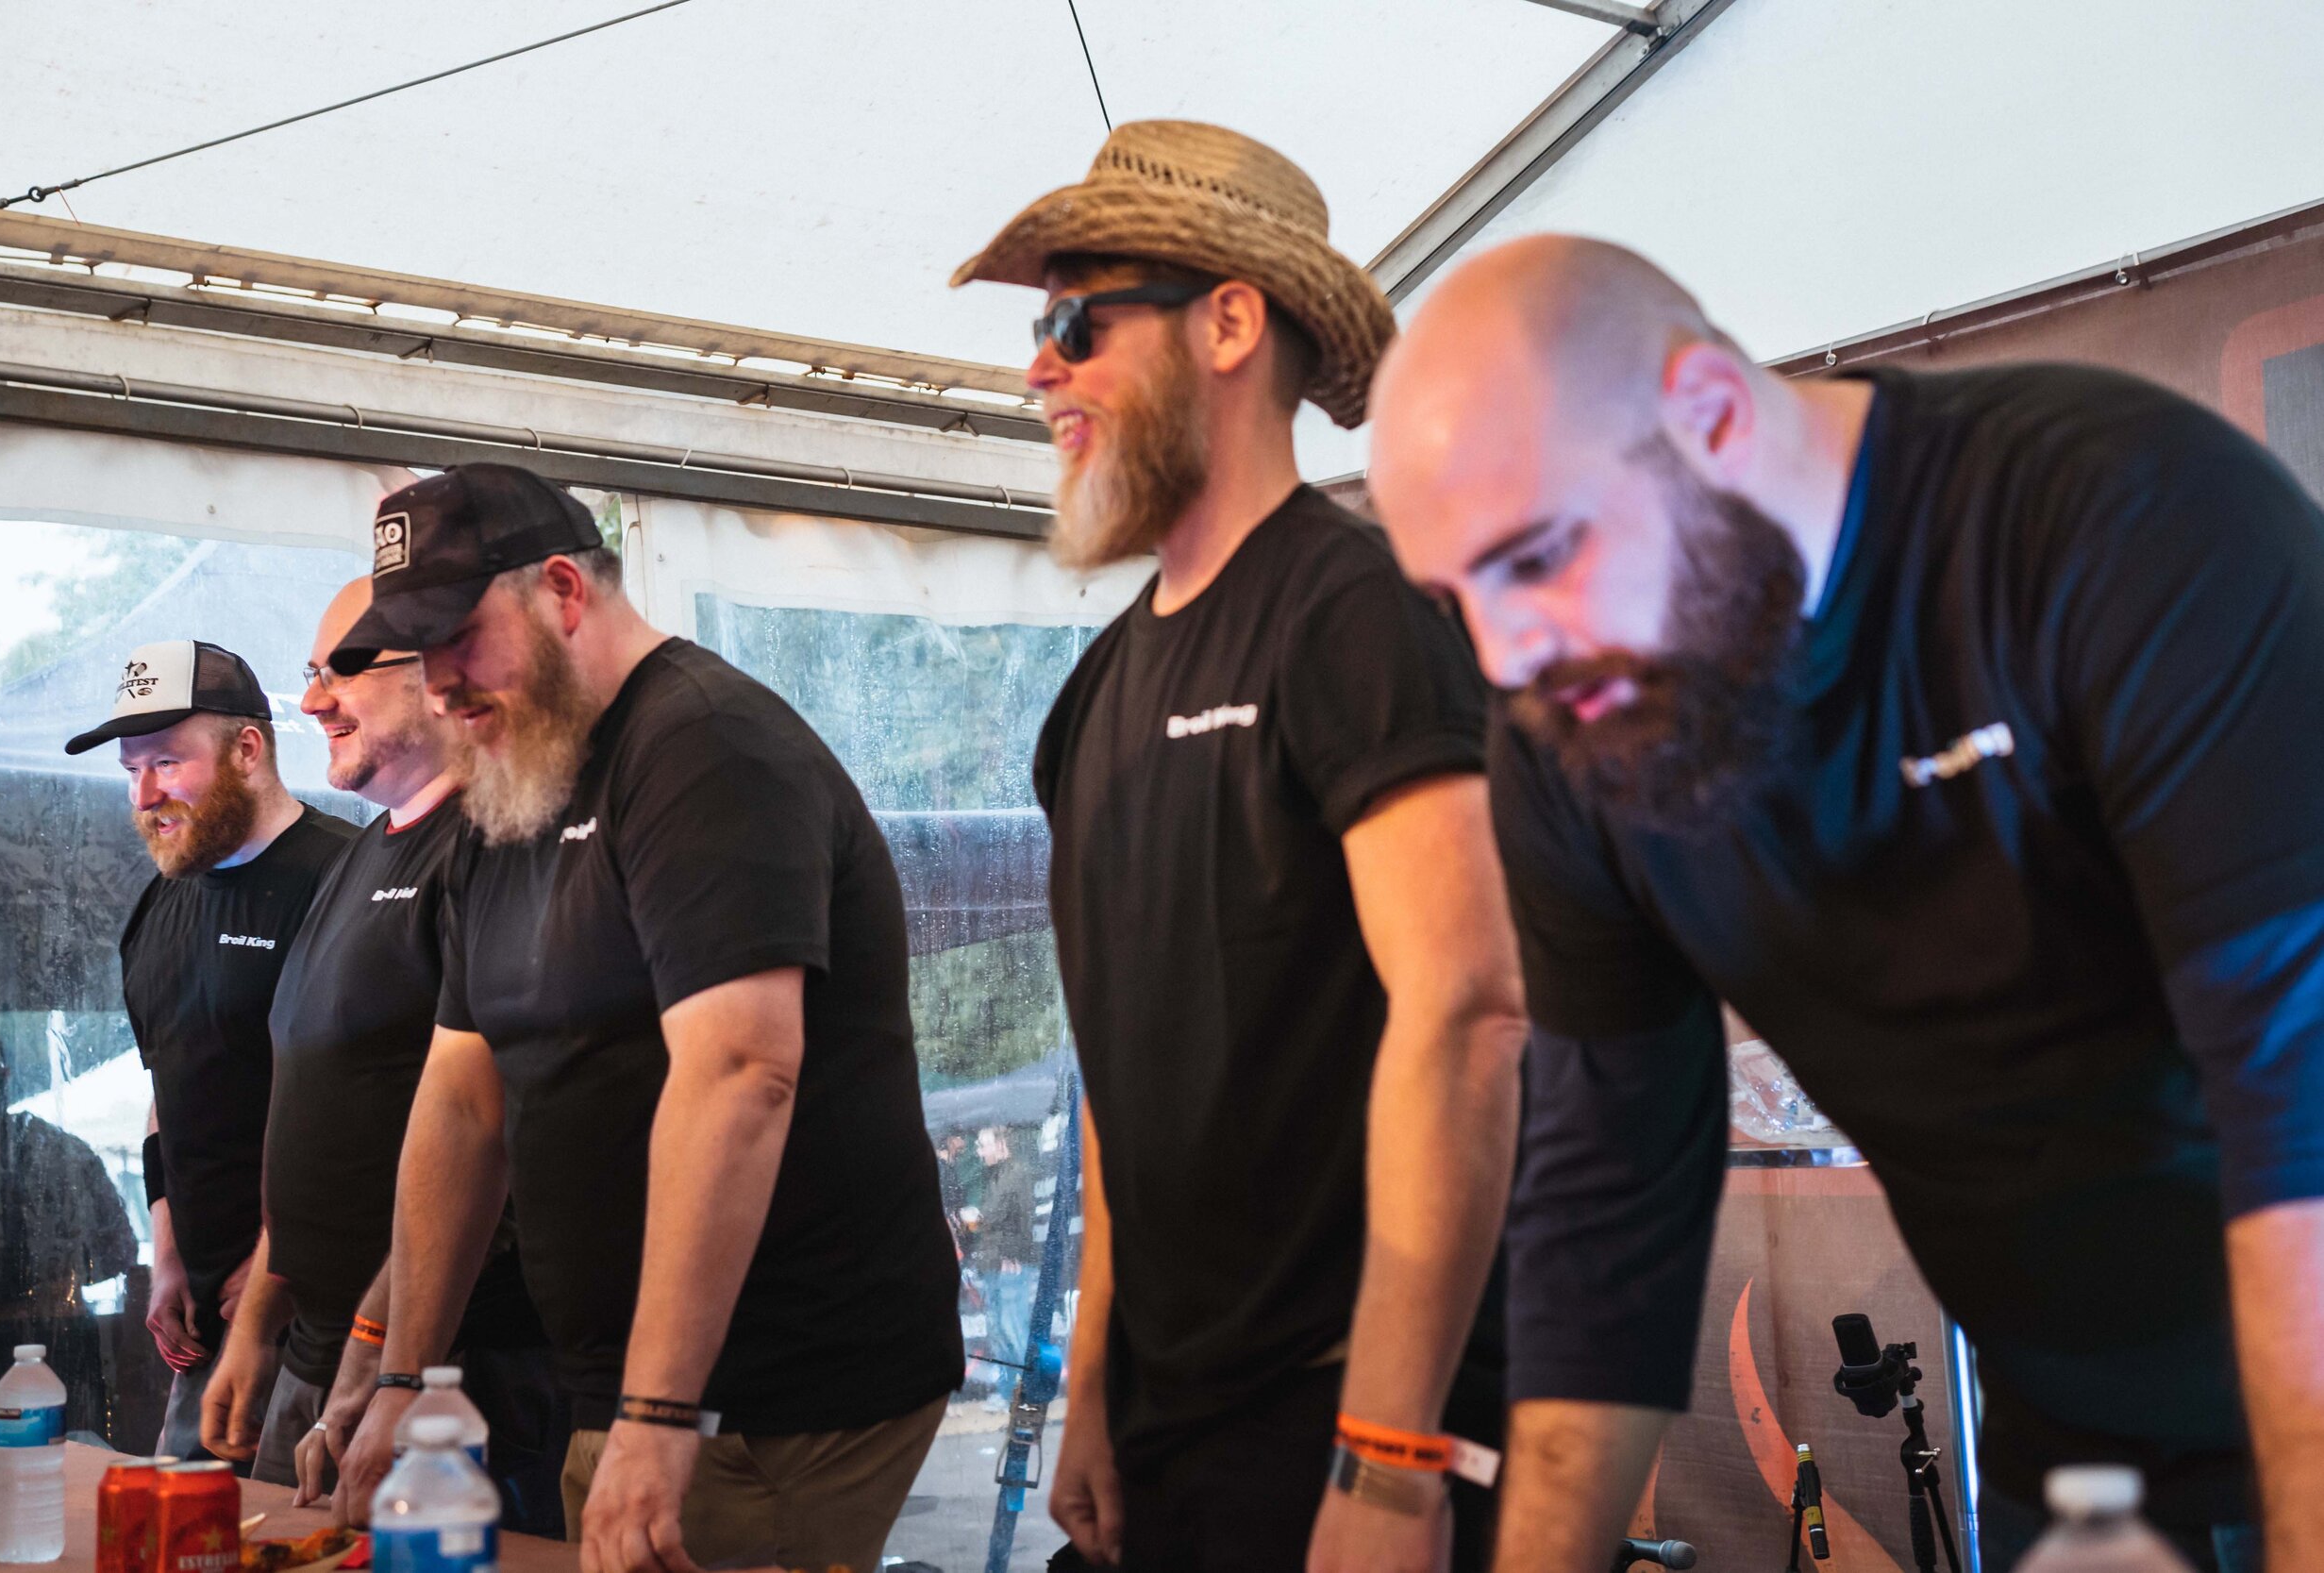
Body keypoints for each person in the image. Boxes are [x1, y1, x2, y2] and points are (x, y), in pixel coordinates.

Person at [1365, 233, 2324, 1573]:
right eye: (1454, 593)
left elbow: (2301, 1102)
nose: (1504, 650)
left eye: (1537, 556)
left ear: (1708, 414)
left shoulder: (2121, 519)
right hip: (2087, 1423)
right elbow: (1608, 1202)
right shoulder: (1576, 720)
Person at [951, 121, 1528, 1573]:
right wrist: (1090, 1379)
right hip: (1162, 1419)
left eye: (1080, 321)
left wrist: (1396, 1458)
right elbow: (1117, 1080)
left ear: (1227, 321)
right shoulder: (1090, 700)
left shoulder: (1352, 614)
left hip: (1348, 1419)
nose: (1041, 367)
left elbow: (1469, 1015)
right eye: (1039, 326)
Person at [326, 464, 962, 1573]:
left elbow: (739, 1074)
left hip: (769, 1401)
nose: (436, 686)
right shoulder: (513, 783)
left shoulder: (704, 747)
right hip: (623, 1389)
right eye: (414, 652)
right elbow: (463, 1100)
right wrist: (398, 1374)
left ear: (563, 589)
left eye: (457, 638)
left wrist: (663, 1413)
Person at [193, 578, 568, 1531]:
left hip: (451, 1370)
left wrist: (385, 1354)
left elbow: (506, 1144)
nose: (314, 700)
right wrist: (258, 1324)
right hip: (328, 1352)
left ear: (446, 670)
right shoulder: (364, 852)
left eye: (347, 667)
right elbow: (319, 1117)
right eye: (312, 673)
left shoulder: (503, 848)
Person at [68, 640, 357, 1463]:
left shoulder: (341, 880)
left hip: (326, 1328)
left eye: (167, 760)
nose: (146, 793)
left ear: (248, 748)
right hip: (207, 1330)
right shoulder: (157, 907)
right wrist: (168, 1254)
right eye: (132, 770)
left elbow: (367, 1117)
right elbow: (171, 1088)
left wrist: (271, 1269)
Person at [0, 1023, 138, 1433]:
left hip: (54, 1349)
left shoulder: (57, 1154)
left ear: (3, 1079)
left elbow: (120, 1252)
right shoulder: (60, 1152)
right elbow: (119, 1252)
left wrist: (57, 1285)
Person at [973, 1127, 1039, 1403]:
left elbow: (1025, 1221)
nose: (978, 1152)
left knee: (1013, 1329)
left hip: (1010, 1264)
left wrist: (1016, 1257)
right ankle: (1007, 1392)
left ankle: (1030, 1392)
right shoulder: (997, 1175)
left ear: (1001, 1145)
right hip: (995, 1263)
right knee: (1000, 1331)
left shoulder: (1017, 1174)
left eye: (983, 1145)